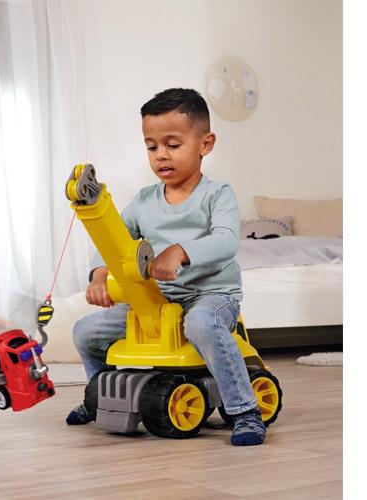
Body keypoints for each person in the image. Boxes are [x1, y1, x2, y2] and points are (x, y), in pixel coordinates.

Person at [66, 88, 266, 446]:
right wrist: (99, 274)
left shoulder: (217, 194)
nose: (161, 155)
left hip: (210, 295)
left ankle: (245, 410)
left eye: (173, 144)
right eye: (152, 146)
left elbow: (226, 241)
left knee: (201, 324)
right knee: (85, 331)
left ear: (205, 144)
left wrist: (180, 251)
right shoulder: (143, 201)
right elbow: (114, 240)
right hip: (156, 301)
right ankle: (99, 397)